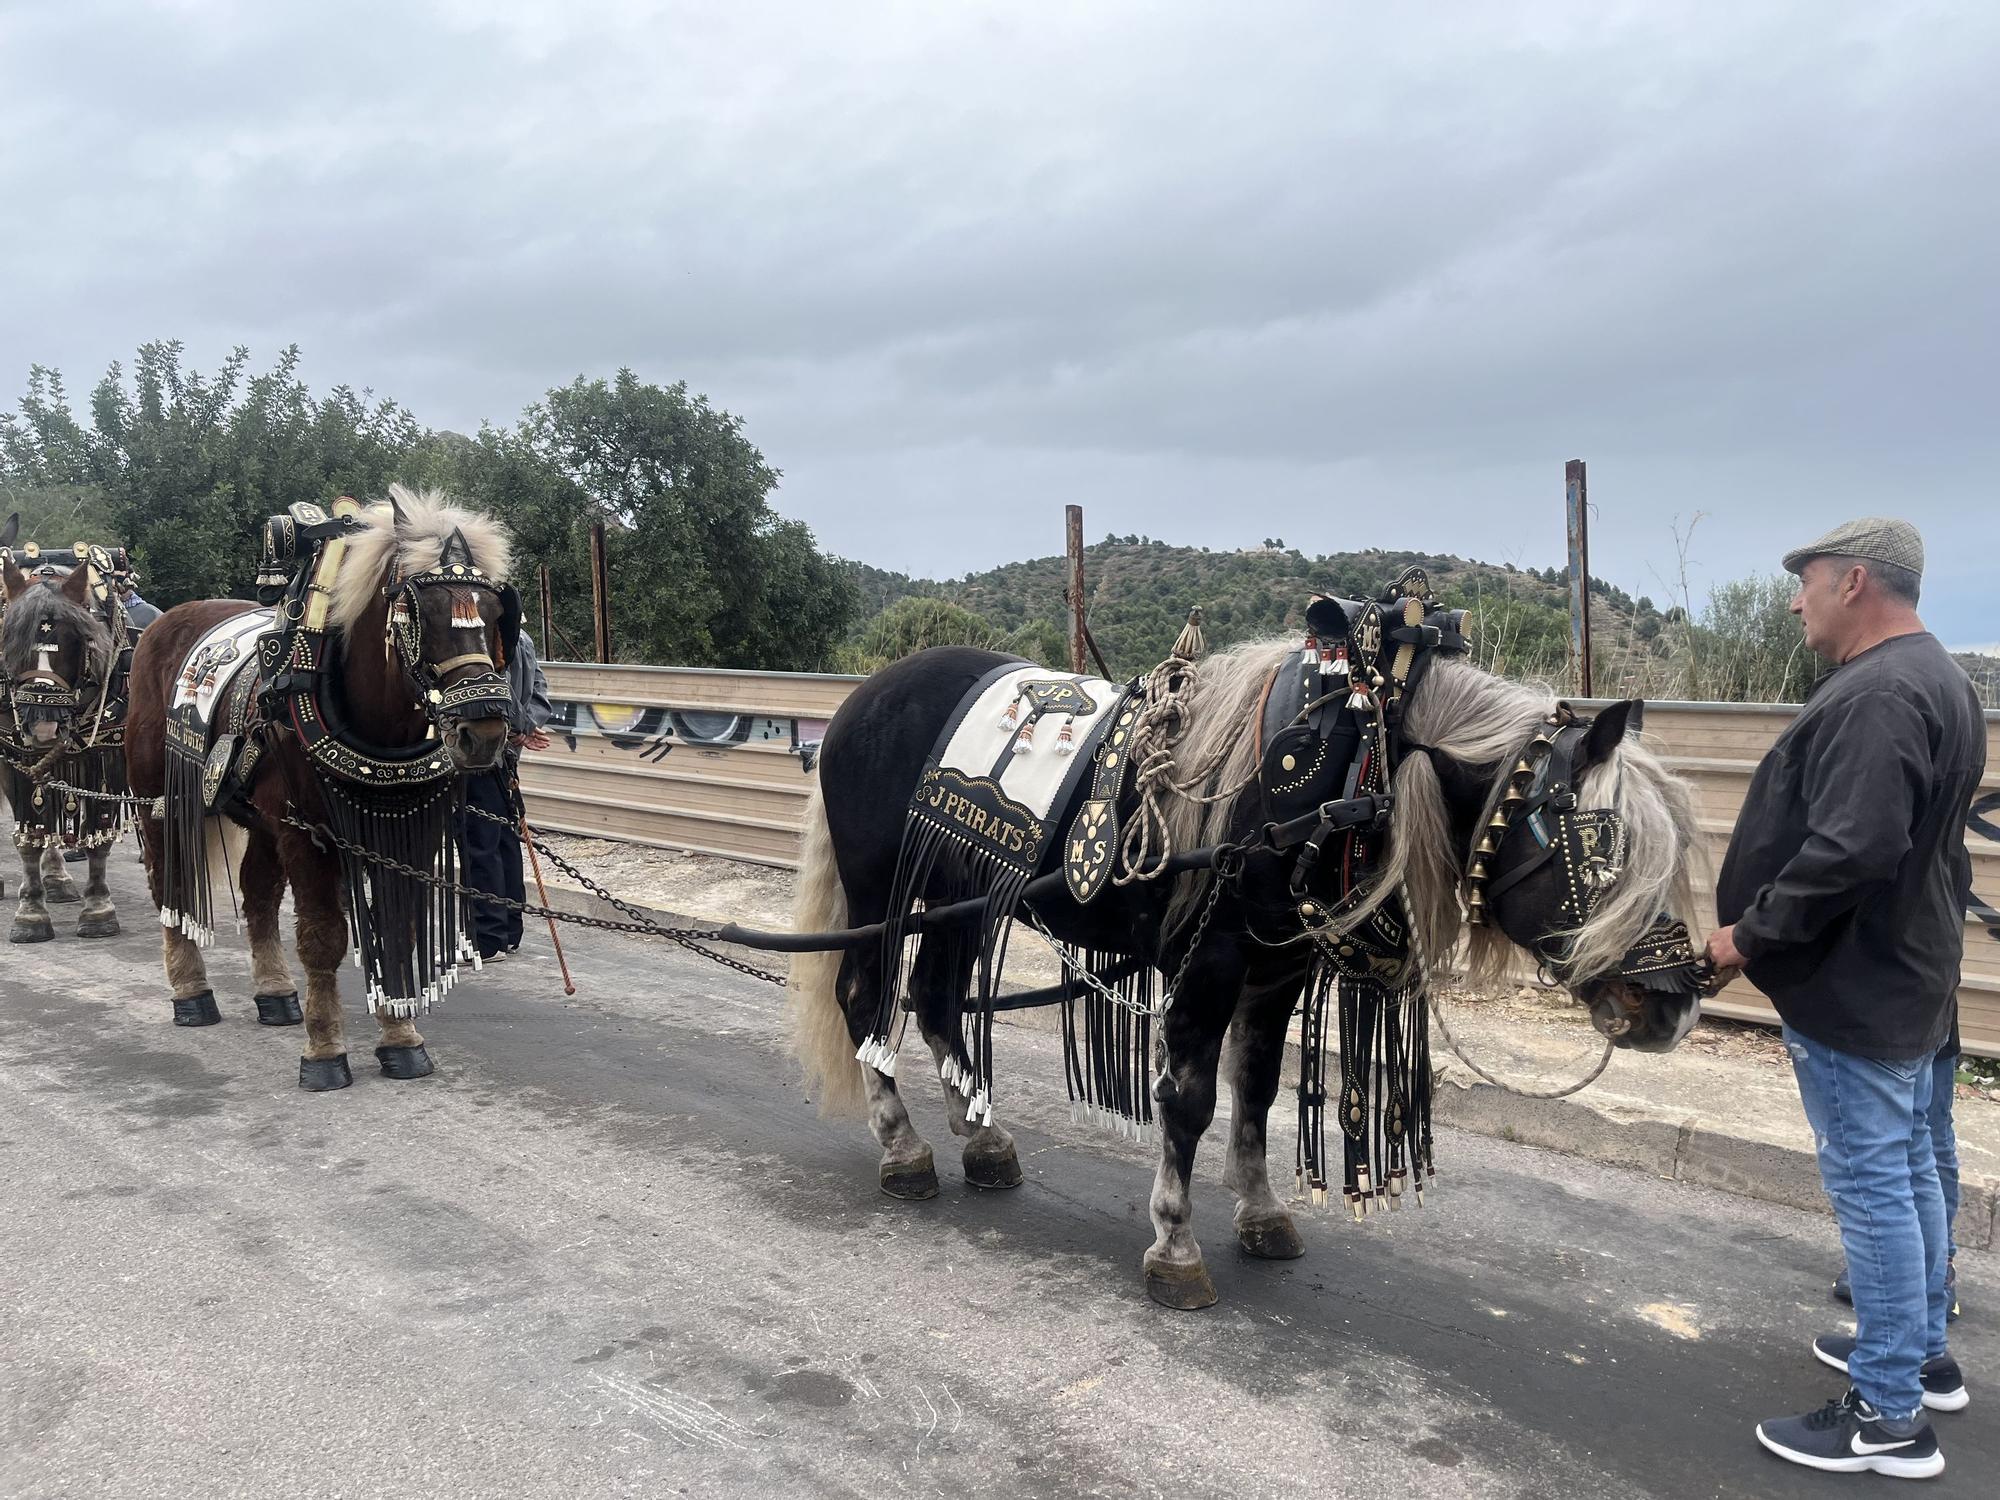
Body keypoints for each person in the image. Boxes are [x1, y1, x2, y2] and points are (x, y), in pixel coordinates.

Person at [1706, 518, 1982, 1479]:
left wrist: (1747, 938)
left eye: (1807, 581)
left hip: (1861, 983)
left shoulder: (1883, 693)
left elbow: (1854, 850)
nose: (1794, 600)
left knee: (1877, 1189)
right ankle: (1916, 1355)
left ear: (1854, 581)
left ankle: (1889, 1417)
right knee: (1908, 1171)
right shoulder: (1937, 674)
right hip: (1908, 971)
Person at [462, 628, 554, 962]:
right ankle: (509, 930)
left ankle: (488, 939)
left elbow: (497, 689)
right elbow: (541, 691)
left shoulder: (487, 642)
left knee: (480, 842)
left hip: (481, 752)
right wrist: (525, 726)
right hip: (507, 753)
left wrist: (516, 726)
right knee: (503, 840)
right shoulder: (525, 637)